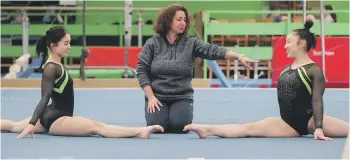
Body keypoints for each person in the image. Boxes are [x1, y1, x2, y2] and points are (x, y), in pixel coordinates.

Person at [183, 20, 349, 140]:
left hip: (312, 121)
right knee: (249, 128)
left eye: (289, 42)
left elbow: (316, 99)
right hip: (288, 124)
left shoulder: (314, 70)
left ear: (302, 43)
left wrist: (319, 127)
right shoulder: (286, 70)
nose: (285, 46)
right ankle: (208, 129)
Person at [1, 26, 164, 139]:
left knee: (13, 126)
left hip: (50, 115)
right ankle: (139, 131)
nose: (69, 47)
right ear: (53, 45)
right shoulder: (51, 68)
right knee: (97, 127)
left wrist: (82, 60)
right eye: (65, 43)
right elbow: (45, 97)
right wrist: (31, 123)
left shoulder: (57, 64)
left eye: (69, 43)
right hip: (58, 119)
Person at [136, 4, 258, 134]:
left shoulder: (191, 43)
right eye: (179, 19)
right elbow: (142, 70)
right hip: (157, 96)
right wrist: (151, 97)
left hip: (181, 96)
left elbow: (212, 50)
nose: (183, 23)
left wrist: (239, 56)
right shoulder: (152, 43)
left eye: (184, 20)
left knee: (180, 127)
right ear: (168, 20)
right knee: (157, 127)